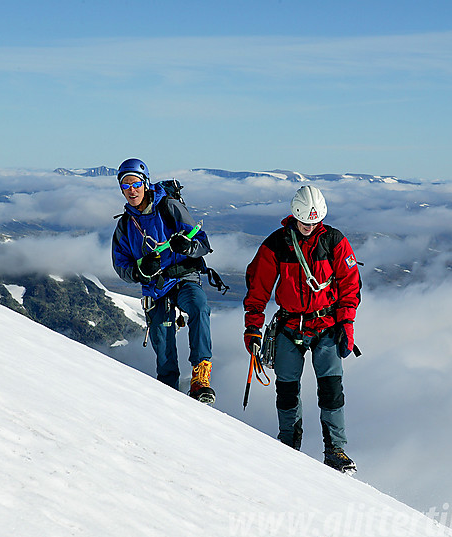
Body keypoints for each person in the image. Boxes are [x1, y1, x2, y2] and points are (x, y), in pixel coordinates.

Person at [243, 185, 361, 473]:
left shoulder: (334, 241)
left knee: (332, 389)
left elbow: (350, 285)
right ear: (294, 215)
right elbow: (258, 288)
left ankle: (335, 449)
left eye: (314, 222)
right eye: (304, 222)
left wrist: (346, 324)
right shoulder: (276, 244)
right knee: (286, 389)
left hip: (327, 324)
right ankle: (288, 443)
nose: (309, 227)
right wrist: (253, 327)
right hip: (289, 325)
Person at [111, 158, 216, 404]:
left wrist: (189, 246)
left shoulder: (169, 207)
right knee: (162, 337)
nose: (131, 190)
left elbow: (203, 244)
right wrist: (141, 270)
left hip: (183, 277)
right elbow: (121, 265)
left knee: (199, 307)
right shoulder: (125, 225)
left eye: (135, 183)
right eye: (125, 186)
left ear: (145, 183)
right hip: (156, 287)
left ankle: (201, 377)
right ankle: (168, 392)